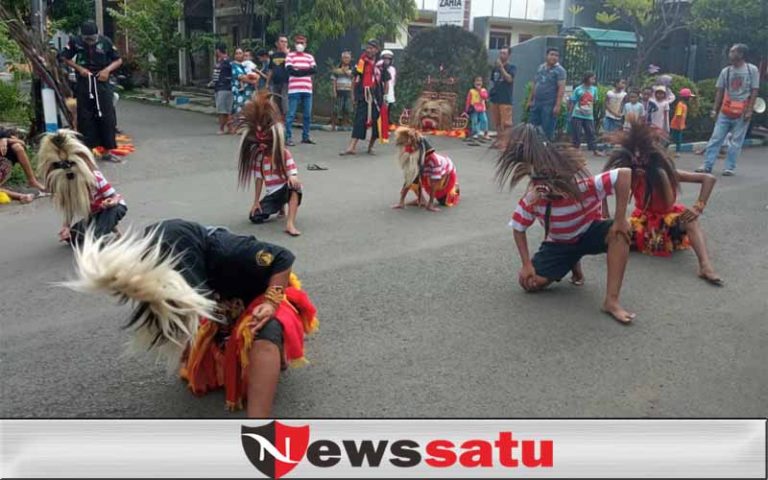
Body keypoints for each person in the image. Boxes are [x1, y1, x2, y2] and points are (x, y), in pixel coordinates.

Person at [62, 218, 319, 417]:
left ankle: (259, 429)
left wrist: (271, 302)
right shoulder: (159, 270)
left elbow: (283, 257)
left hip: (262, 295)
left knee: (265, 331)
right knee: (203, 352)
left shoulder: (229, 251)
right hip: (219, 306)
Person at [497, 123, 635, 323]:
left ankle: (611, 301)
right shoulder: (533, 198)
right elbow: (518, 228)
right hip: (559, 244)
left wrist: (620, 220)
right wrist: (526, 265)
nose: (544, 188)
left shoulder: (583, 186)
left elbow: (624, 174)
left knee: (622, 233)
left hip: (589, 233)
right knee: (529, 283)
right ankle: (572, 261)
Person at [603, 121, 722, 285]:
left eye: (642, 160)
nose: (638, 164)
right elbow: (603, 185)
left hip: (671, 221)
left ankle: (705, 265)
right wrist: (605, 214)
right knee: (610, 234)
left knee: (691, 220)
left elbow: (709, 178)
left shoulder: (669, 173)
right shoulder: (627, 176)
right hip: (644, 222)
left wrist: (697, 207)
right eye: (634, 160)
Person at [36, 130, 126, 245]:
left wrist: (112, 202)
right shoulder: (65, 185)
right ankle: (95, 233)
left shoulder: (95, 178)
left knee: (106, 219)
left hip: (112, 208)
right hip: (94, 215)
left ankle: (97, 239)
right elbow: (69, 208)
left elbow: (115, 197)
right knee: (72, 238)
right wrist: (66, 227)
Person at [240, 92, 303, 237]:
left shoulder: (284, 153)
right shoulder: (259, 158)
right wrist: (256, 202)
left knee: (295, 187)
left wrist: (293, 177)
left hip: (285, 189)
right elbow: (258, 179)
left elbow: (292, 173)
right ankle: (279, 207)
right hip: (273, 194)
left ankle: (290, 223)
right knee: (255, 217)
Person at [60, 20, 123, 163]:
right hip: (84, 82)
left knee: (107, 115)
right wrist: (79, 68)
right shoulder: (75, 42)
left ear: (97, 34)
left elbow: (118, 60)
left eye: (92, 39)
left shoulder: (105, 42)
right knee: (85, 116)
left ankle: (108, 151)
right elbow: (64, 57)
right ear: (82, 36)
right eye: (87, 39)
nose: (90, 42)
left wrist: (107, 70)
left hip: (102, 81)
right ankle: (87, 151)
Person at [697, 43, 760, 176]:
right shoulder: (726, 71)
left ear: (741, 54)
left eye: (733, 52)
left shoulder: (751, 70)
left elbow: (754, 90)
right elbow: (720, 91)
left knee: (736, 141)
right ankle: (707, 165)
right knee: (716, 138)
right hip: (725, 111)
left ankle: (729, 167)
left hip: (742, 112)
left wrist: (749, 110)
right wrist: (715, 109)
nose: (730, 54)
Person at [392, 127, 460, 212]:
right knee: (412, 177)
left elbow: (434, 183)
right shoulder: (414, 156)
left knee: (444, 201)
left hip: (446, 175)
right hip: (427, 170)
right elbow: (409, 179)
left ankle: (453, 189)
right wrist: (401, 202)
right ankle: (421, 200)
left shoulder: (433, 161)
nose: (407, 148)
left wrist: (430, 204)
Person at [341, 40, 389, 156]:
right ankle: (351, 147)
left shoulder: (381, 65)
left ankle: (370, 147)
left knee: (375, 122)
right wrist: (353, 94)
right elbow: (355, 78)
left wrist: (385, 97)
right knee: (359, 120)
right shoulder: (361, 62)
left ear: (377, 50)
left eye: (372, 48)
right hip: (363, 95)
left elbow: (386, 81)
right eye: (367, 48)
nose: (369, 50)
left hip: (377, 97)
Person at [527, 47, 566, 140]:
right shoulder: (541, 67)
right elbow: (535, 83)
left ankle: (546, 149)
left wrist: (557, 105)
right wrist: (530, 100)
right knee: (532, 128)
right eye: (552, 54)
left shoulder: (560, 70)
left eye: (556, 55)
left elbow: (561, 88)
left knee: (547, 130)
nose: (554, 57)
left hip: (549, 104)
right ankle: (533, 149)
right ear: (546, 56)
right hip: (537, 103)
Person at [285, 34, 317, 146]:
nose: (300, 45)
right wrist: (305, 71)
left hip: (307, 90)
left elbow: (314, 70)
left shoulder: (309, 57)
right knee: (291, 114)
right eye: (298, 43)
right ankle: (287, 137)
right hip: (294, 90)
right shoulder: (290, 56)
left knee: (307, 114)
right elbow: (290, 71)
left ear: (305, 44)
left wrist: (299, 71)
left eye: (302, 43)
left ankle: (306, 137)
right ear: (294, 44)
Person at [568, 71, 603, 157]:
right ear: (587, 78)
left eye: (594, 78)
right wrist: (570, 114)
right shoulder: (578, 89)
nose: (594, 80)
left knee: (591, 132)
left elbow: (595, 100)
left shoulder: (594, 89)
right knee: (577, 132)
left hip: (589, 115)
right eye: (592, 78)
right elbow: (573, 101)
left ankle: (594, 150)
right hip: (577, 114)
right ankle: (576, 149)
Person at [0, 127, 45, 191]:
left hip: (3, 163)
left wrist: (6, 140)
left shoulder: (2, 132)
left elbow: (22, 143)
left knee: (17, 146)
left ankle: (32, 181)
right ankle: (20, 196)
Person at [489, 46, 516, 148]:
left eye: (504, 53)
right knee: (497, 122)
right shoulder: (495, 68)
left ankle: (505, 143)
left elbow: (509, 79)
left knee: (506, 123)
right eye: (501, 53)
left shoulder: (512, 67)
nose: (502, 55)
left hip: (505, 99)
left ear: (509, 55)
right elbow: (494, 80)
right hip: (495, 98)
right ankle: (499, 141)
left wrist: (501, 68)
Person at [211, 44, 234, 135]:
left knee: (224, 109)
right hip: (217, 87)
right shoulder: (219, 62)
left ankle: (222, 128)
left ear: (218, 51)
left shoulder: (228, 61)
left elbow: (233, 73)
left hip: (225, 87)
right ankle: (229, 128)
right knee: (222, 109)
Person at [330, 50, 354, 131]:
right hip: (339, 90)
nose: (346, 59)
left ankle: (345, 124)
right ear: (341, 58)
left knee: (347, 109)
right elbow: (333, 80)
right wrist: (334, 91)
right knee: (336, 108)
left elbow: (353, 78)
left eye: (347, 58)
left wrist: (352, 93)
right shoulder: (337, 69)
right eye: (344, 57)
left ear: (350, 59)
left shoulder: (353, 69)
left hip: (348, 91)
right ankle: (333, 125)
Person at [376, 49, 396, 143]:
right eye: (385, 58)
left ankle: (385, 129)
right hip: (380, 92)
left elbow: (393, 82)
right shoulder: (378, 67)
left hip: (390, 93)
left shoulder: (392, 69)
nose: (387, 60)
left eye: (389, 59)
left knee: (387, 112)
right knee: (380, 112)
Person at [268, 35, 290, 116]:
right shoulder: (273, 55)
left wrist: (287, 54)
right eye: (282, 41)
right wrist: (267, 83)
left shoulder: (290, 55)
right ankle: (278, 121)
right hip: (275, 83)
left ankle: (286, 122)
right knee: (276, 103)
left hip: (286, 82)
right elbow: (270, 70)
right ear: (277, 43)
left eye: (286, 42)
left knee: (285, 102)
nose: (284, 43)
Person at [464, 75, 491, 145]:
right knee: (475, 121)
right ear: (474, 83)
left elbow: (485, 97)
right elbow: (468, 100)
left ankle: (485, 133)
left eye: (480, 81)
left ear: (482, 83)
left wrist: (479, 91)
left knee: (484, 120)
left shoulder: (483, 90)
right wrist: (466, 110)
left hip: (482, 109)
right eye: (477, 81)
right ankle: (475, 133)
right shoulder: (471, 91)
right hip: (474, 109)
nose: (478, 82)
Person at [231, 48, 257, 116]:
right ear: (234, 55)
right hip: (239, 92)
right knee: (239, 111)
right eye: (237, 53)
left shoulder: (245, 65)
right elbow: (241, 77)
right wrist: (253, 81)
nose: (238, 55)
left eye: (240, 53)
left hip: (249, 91)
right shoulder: (233, 65)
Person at [670, 88, 694, 155]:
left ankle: (678, 151)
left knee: (678, 139)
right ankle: (676, 151)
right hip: (676, 125)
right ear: (686, 97)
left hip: (679, 125)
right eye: (689, 97)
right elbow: (678, 115)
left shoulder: (683, 105)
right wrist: (679, 125)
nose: (690, 98)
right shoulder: (680, 105)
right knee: (675, 138)